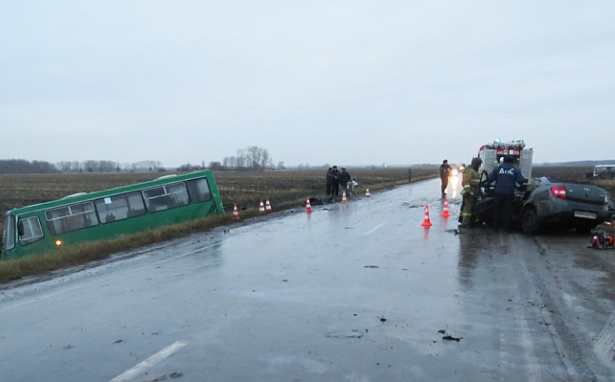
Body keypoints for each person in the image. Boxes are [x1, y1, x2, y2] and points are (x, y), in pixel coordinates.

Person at [488, 155, 525, 232]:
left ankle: (495, 227)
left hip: (498, 192)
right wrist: (515, 186)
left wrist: (494, 185)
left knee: (497, 210)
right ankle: (507, 228)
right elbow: (521, 180)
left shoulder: (497, 169)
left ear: (503, 161)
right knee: (508, 211)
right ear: (512, 162)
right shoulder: (515, 170)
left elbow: (490, 178)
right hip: (509, 193)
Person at [459, 157, 482, 228]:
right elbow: (466, 182)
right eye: (478, 165)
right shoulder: (470, 171)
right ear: (475, 164)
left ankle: (468, 221)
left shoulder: (473, 171)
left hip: (472, 192)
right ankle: (465, 223)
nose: (479, 166)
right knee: (467, 208)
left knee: (469, 207)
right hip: (469, 193)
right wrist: (467, 192)